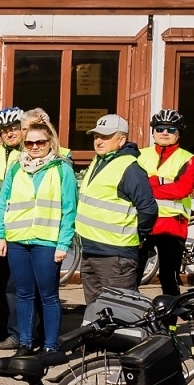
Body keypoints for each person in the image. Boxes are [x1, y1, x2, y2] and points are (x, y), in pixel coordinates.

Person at [0, 119, 77, 358]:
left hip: (47, 241)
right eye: (29, 142)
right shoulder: (15, 169)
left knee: (48, 295)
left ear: (50, 142)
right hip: (18, 240)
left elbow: (69, 209)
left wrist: (63, 243)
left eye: (39, 142)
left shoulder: (62, 169)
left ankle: (51, 346)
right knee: (24, 293)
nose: (34, 147)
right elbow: (3, 204)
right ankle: (25, 342)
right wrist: (1, 236)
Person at [75, 114, 157, 303]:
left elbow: (149, 208)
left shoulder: (130, 168)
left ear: (121, 139)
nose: (98, 141)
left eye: (105, 136)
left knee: (122, 310)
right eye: (96, 136)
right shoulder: (100, 160)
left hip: (115, 254)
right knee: (96, 311)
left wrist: (138, 233)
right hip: (90, 249)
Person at [141, 109, 194, 297]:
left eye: (171, 129)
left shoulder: (187, 158)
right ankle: (130, 319)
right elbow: (133, 186)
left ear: (178, 133)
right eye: (160, 128)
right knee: (132, 276)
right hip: (143, 223)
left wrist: (150, 185)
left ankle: (170, 325)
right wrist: (164, 184)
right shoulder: (140, 155)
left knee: (168, 276)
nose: (165, 132)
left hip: (172, 226)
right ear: (153, 132)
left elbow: (182, 189)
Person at [0, 107, 26, 348]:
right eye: (4, 130)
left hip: (20, 221)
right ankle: (1, 324)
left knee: (19, 281)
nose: (9, 133)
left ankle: (20, 326)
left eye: (13, 128)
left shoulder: (31, 151)